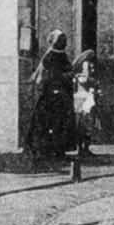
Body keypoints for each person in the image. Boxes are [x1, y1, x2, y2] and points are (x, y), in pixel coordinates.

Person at [25, 30, 76, 158]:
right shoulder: (50, 56)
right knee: (49, 121)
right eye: (60, 40)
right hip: (52, 95)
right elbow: (53, 75)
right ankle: (45, 149)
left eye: (64, 39)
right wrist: (68, 75)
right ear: (54, 42)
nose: (63, 42)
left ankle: (59, 149)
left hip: (62, 94)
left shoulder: (62, 56)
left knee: (61, 122)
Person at [71, 50, 101, 156]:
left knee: (88, 127)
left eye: (92, 68)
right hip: (81, 103)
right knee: (81, 126)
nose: (91, 69)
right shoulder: (80, 79)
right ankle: (80, 148)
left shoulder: (91, 80)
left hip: (89, 103)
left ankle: (86, 148)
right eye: (88, 68)